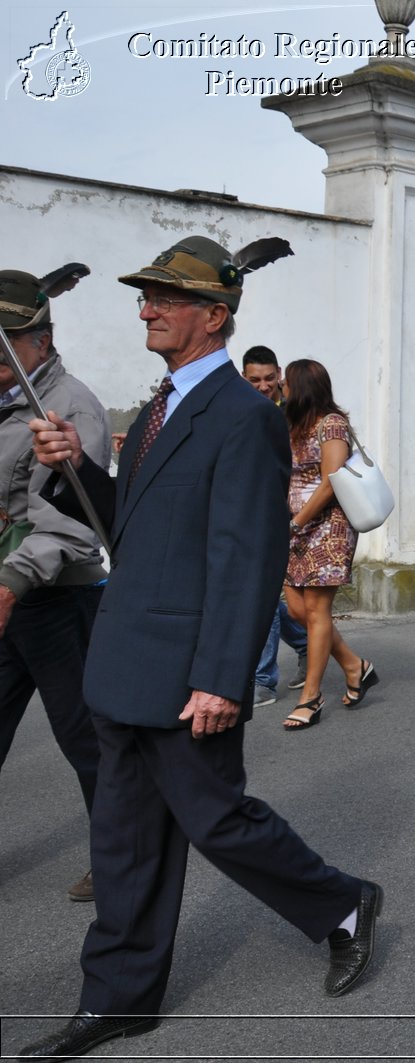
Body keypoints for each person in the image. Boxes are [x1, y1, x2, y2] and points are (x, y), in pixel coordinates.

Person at [22, 235, 380, 1061]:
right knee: (122, 838)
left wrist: (224, 676)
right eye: (146, 295)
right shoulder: (155, 409)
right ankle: (118, 998)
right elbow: (133, 531)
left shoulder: (246, 416)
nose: (145, 307)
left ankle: (346, 905)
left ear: (214, 316)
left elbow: (249, 557)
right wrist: (76, 466)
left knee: (220, 823)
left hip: (188, 674)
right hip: (123, 663)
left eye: (164, 297)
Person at [0, 265, 109, 903]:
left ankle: (115, 853)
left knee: (87, 741)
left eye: (11, 339)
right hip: (8, 589)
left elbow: (73, 522)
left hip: (57, 596)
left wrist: (13, 582)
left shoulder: (70, 406)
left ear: (42, 338)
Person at [280, 359, 378, 729]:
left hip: (328, 527)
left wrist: (297, 522)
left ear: (301, 386)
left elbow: (331, 481)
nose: (281, 388)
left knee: (317, 611)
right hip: (295, 526)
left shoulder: (331, 424)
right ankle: (356, 666)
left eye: (286, 382)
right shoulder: (293, 424)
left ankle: (311, 697)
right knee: (296, 609)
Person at [241, 345, 307, 708]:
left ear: (279, 375)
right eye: (255, 380)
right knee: (265, 594)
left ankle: (263, 680)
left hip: (284, 515)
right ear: (243, 378)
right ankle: (308, 644)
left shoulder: (292, 413)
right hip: (250, 511)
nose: (263, 386)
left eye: (269, 379)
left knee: (261, 594)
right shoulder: (239, 407)